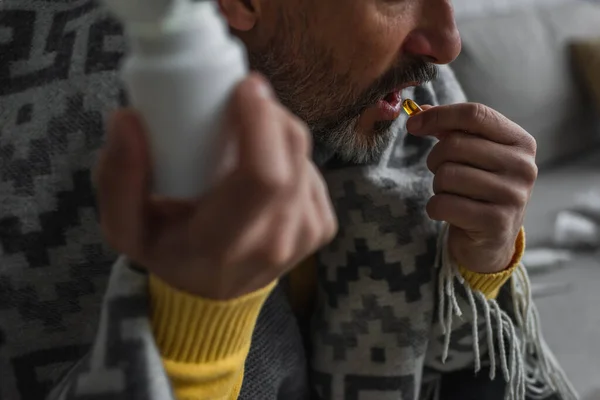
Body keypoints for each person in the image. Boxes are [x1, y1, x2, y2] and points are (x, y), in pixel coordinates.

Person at [0, 0, 576, 399]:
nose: (447, 43)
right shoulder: (37, 143)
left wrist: (479, 268)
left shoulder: (404, 99)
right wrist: (193, 329)